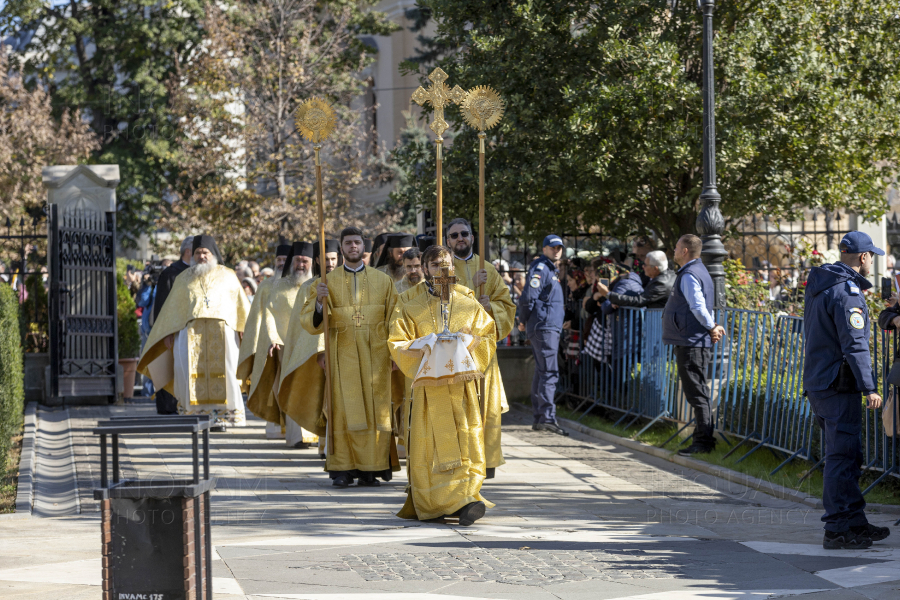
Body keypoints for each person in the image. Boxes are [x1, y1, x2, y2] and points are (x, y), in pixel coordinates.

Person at [389, 244, 497, 525]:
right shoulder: (410, 306)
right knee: (431, 446)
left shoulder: (468, 303)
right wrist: (424, 344)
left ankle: (466, 498)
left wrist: (469, 342)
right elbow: (397, 343)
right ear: (425, 269)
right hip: (429, 390)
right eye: (435, 265)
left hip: (461, 388)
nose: (443, 269)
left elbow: (488, 336)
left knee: (465, 438)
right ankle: (435, 503)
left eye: (447, 263)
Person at [804, 231, 889, 550]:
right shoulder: (847, 290)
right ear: (864, 258)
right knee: (841, 457)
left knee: (847, 455)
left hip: (820, 382)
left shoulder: (821, 283)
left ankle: (854, 520)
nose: (872, 263)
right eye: (872, 258)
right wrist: (869, 387)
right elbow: (855, 344)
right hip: (838, 385)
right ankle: (837, 529)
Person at [300, 227, 400, 487]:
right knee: (342, 409)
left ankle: (372, 469)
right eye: (348, 243)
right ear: (341, 248)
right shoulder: (325, 282)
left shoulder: (383, 281)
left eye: (357, 242)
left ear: (363, 247)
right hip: (341, 354)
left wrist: (396, 354)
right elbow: (310, 323)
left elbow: (395, 319)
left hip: (376, 355)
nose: (352, 247)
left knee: (375, 409)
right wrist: (320, 304)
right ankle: (342, 469)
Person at [138, 235, 251, 430]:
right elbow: (171, 311)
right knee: (190, 372)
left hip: (223, 334)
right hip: (190, 336)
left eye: (205, 252)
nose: (201, 256)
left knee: (226, 371)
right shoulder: (183, 279)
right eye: (198, 253)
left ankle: (224, 416)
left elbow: (240, 305)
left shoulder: (229, 275)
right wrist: (167, 334)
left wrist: (244, 330)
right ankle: (197, 416)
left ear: (213, 253)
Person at [446, 217, 517, 472]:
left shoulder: (487, 268)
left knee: (486, 405)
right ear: (447, 241)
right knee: (460, 407)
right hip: (454, 351)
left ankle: (486, 462)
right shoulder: (443, 270)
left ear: (473, 237)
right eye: (454, 236)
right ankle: (463, 460)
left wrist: (491, 308)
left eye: (464, 233)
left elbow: (507, 306)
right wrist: (472, 289)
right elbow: (442, 305)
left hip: (483, 351)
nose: (459, 239)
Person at [663, 234, 725, 456]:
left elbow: (698, 306)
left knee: (697, 393)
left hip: (692, 342)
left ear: (685, 251)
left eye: (677, 247)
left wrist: (711, 327)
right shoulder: (697, 271)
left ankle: (703, 442)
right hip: (692, 340)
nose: (674, 250)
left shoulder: (689, 274)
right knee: (697, 392)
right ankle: (702, 439)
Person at [254, 242, 318, 448]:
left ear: (312, 262)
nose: (300, 264)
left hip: (313, 346)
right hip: (287, 347)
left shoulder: (318, 285)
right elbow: (269, 315)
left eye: (305, 261)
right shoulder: (279, 286)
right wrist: (273, 337)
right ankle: (297, 436)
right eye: (297, 260)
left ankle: (316, 435)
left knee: (313, 389)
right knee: (292, 388)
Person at [278, 242, 335, 451]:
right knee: (318, 395)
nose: (330, 263)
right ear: (318, 260)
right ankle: (322, 445)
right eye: (325, 259)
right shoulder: (308, 286)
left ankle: (329, 447)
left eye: (333, 259)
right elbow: (304, 322)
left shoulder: (347, 284)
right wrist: (319, 350)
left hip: (342, 350)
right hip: (313, 351)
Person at [238, 243, 291, 439]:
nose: (281, 264)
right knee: (274, 384)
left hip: (295, 342)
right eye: (278, 261)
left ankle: (295, 429)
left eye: (285, 261)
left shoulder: (301, 284)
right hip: (269, 343)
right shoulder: (266, 286)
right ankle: (277, 426)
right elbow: (256, 317)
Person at [519, 234, 568, 436]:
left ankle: (541, 418)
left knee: (542, 372)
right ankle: (547, 418)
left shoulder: (549, 268)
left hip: (547, 325)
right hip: (544, 326)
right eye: (553, 247)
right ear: (545, 248)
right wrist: (522, 320)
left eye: (559, 248)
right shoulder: (542, 268)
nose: (556, 251)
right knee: (549, 372)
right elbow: (529, 295)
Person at [152, 236, 194, 414]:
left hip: (191, 332)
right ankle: (169, 406)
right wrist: (165, 332)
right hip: (173, 331)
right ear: (188, 252)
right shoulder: (171, 273)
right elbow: (162, 306)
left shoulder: (196, 272)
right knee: (170, 367)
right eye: (197, 251)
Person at [604, 250, 675, 310]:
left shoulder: (661, 282)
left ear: (655, 269)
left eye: (645, 265)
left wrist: (608, 294)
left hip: (660, 323)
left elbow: (639, 301)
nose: (643, 267)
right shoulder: (667, 275)